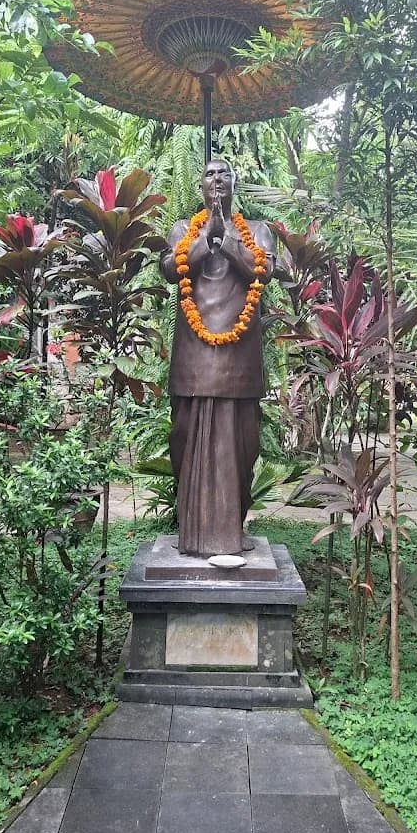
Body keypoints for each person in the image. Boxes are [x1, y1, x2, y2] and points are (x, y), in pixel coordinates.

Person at [161, 160, 274, 556]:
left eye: (224, 173)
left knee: (243, 446)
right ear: (199, 187)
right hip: (193, 360)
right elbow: (168, 269)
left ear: (235, 184)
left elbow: (264, 271)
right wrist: (204, 233)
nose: (217, 180)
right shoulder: (182, 229)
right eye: (209, 174)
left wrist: (225, 236)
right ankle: (193, 535)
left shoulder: (258, 231)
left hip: (239, 361)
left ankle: (230, 532)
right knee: (184, 440)